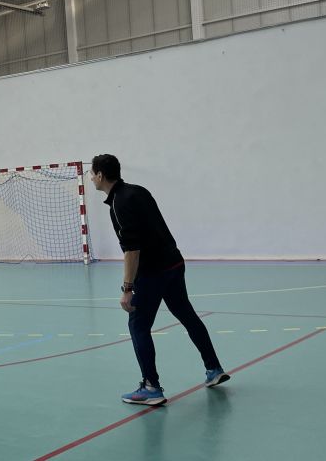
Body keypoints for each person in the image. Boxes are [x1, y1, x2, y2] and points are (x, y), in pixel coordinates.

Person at [90, 154, 229, 406]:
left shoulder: (119, 203)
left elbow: (132, 250)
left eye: (92, 174)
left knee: (138, 326)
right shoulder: (138, 191)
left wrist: (127, 288)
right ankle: (214, 369)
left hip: (153, 272)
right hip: (174, 263)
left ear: (100, 175)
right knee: (187, 315)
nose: (90, 178)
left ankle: (151, 387)